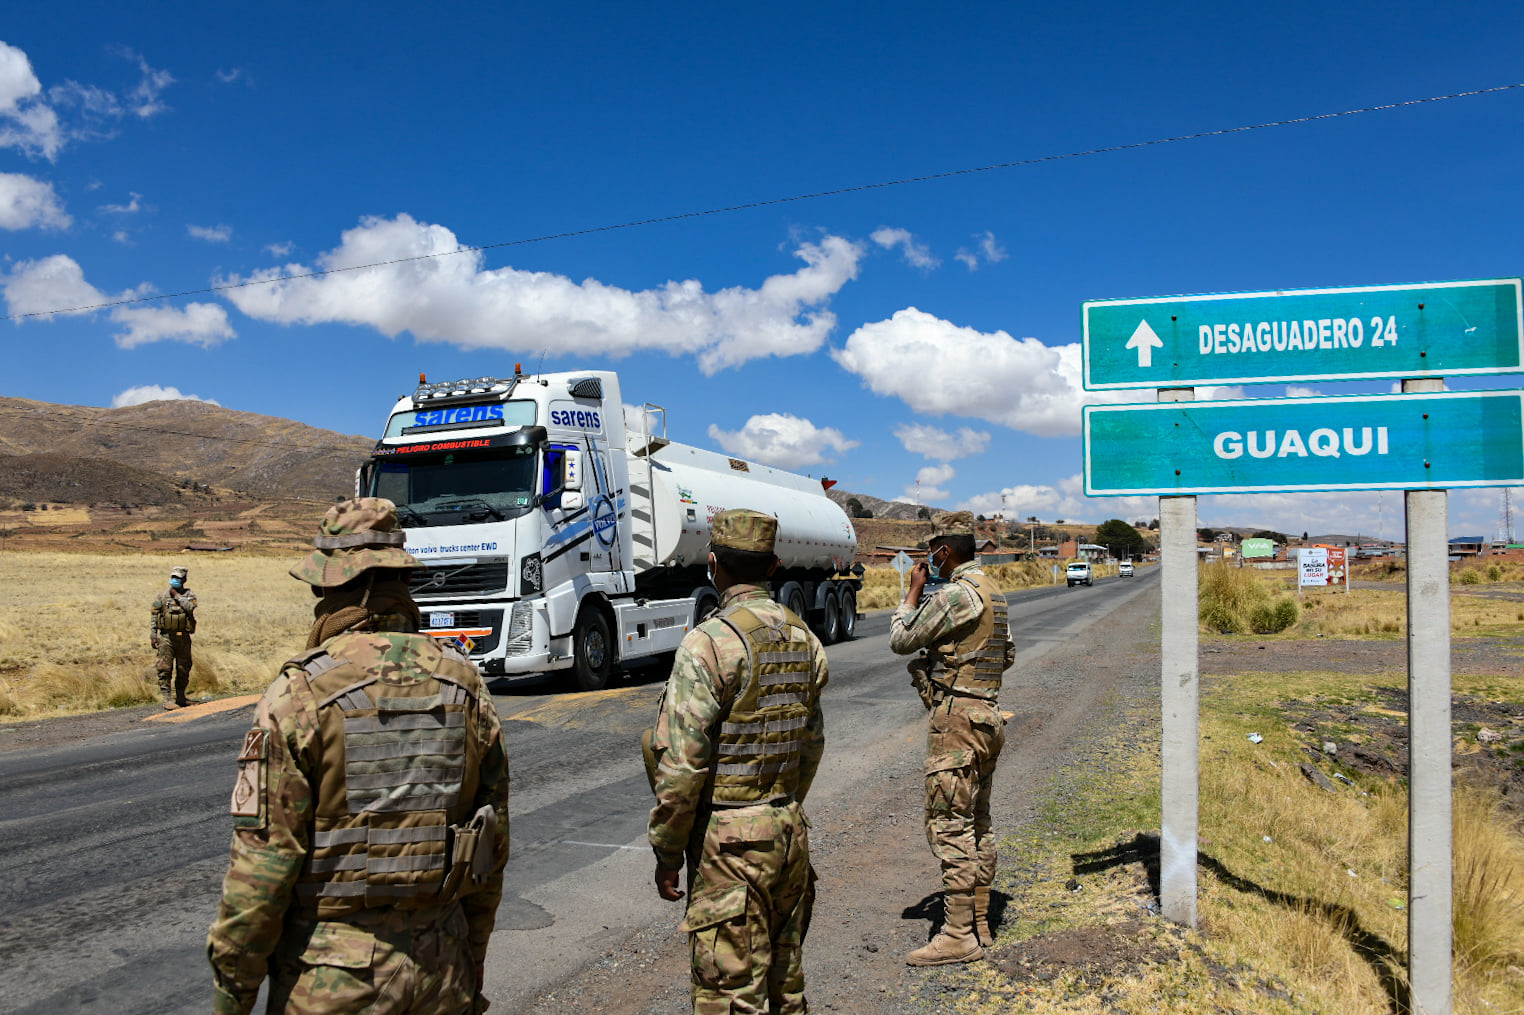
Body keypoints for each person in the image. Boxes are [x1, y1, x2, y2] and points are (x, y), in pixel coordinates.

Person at [206, 498, 510, 1015]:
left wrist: (232, 996)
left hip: (331, 984)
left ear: (329, 588)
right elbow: (490, 841)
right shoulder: (464, 685)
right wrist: (472, 952)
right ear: (401, 585)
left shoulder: (298, 694)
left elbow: (262, 872)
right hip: (444, 973)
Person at [645, 509, 828, 1014]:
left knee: (730, 997)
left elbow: (683, 766)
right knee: (785, 986)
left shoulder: (708, 643)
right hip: (788, 831)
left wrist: (667, 850)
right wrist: (778, 807)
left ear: (713, 565)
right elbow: (811, 745)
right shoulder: (803, 637)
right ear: (773, 567)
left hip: (728, 846)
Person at [888, 511, 1013, 966]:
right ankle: (980, 922)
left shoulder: (956, 594)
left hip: (957, 721)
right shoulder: (993, 592)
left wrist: (914, 592)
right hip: (987, 715)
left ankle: (958, 935)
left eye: (931, 554)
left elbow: (902, 638)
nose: (929, 562)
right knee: (978, 818)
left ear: (943, 551)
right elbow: (1009, 652)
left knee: (950, 823)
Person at [150, 565, 197, 709]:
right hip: (166, 638)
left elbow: (190, 607)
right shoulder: (162, 596)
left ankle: (181, 697)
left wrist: (177, 596)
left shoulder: (190, 595)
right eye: (173, 577)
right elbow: (154, 615)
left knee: (183, 668)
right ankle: (167, 699)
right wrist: (153, 635)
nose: (174, 580)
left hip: (183, 638)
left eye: (177, 578)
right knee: (164, 668)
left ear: (184, 579)